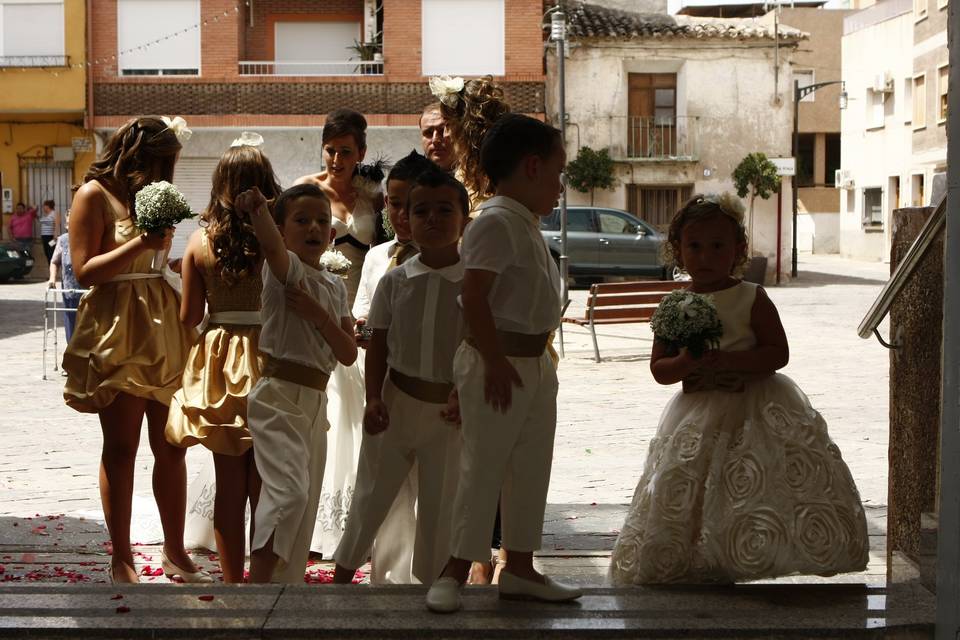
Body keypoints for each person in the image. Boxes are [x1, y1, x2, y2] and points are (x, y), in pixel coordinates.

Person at [608, 193, 869, 585]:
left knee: (749, 480)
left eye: (718, 246)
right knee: (693, 484)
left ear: (738, 250)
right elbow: (659, 368)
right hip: (696, 412)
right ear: (677, 251)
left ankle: (747, 551)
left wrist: (732, 362)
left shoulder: (751, 297)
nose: (706, 256)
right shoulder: (675, 303)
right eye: (694, 246)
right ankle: (699, 555)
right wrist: (685, 364)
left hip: (754, 407)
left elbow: (777, 353)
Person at [425, 114, 582, 613]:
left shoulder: (522, 222)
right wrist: (492, 361)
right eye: (558, 172)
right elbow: (473, 297)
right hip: (500, 363)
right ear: (533, 167)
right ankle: (451, 571)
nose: (561, 185)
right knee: (484, 467)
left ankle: (519, 566)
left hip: (533, 363)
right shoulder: (494, 220)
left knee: (529, 466)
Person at [61, 116, 208, 584]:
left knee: (172, 447)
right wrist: (142, 244)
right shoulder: (92, 196)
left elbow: (158, 260)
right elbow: (83, 271)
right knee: (121, 447)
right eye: (166, 163)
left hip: (162, 322)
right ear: (140, 155)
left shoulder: (156, 198)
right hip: (117, 324)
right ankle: (121, 557)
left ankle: (175, 552)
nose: (169, 173)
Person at [334, 167, 468, 586]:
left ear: (464, 217)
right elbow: (377, 342)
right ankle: (341, 577)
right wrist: (374, 397)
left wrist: (464, 395)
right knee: (371, 496)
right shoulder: (393, 281)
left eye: (444, 210)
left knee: (439, 506)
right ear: (402, 217)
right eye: (420, 210)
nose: (432, 219)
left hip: (449, 417)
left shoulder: (475, 282)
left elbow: (479, 346)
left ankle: (431, 586)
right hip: (394, 406)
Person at [165, 140, 283, 583]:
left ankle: (234, 583)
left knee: (228, 486)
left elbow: (189, 317)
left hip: (222, 361)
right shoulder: (278, 235)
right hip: (271, 354)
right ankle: (264, 582)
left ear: (219, 187)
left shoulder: (199, 241)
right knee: (266, 487)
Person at [239, 182, 357, 584]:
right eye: (301, 220)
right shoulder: (284, 271)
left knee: (303, 509)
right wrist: (257, 212)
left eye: (322, 221)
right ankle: (257, 589)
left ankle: (284, 594)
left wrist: (318, 316)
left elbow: (347, 352)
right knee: (288, 494)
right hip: (277, 399)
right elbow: (271, 248)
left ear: (333, 234)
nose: (313, 228)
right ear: (282, 229)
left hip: (315, 405)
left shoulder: (335, 286)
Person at [295, 109, 384, 557]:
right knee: (323, 419)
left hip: (359, 321)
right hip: (317, 315)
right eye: (330, 150)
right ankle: (312, 526)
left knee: (355, 420)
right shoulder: (307, 191)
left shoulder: (374, 199)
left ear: (361, 153)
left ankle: (353, 521)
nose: (336, 159)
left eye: (345, 152)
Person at [351, 150, 435, 584]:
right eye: (393, 203)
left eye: (410, 204)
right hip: (384, 386)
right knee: (385, 488)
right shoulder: (377, 257)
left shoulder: (451, 263)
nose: (401, 214)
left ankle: (430, 573)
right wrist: (363, 330)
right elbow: (362, 316)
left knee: (434, 491)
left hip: (434, 394)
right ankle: (387, 577)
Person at [47, 214, 80, 343]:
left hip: (88, 290)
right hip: (70, 289)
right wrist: (52, 279)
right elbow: (55, 261)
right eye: (67, 223)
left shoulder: (90, 236)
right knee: (71, 329)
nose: (69, 225)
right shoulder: (63, 240)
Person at [419, 103, 455, 173]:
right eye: (428, 133)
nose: (435, 140)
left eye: (442, 131)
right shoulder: (407, 179)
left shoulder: (478, 179)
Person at [39, 200, 60, 264]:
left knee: (51, 253)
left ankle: (53, 268)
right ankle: (50, 267)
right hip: (44, 237)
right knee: (47, 253)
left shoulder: (54, 213)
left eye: (44, 206)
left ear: (47, 206)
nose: (43, 207)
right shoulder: (46, 215)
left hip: (51, 237)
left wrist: (55, 236)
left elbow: (57, 224)